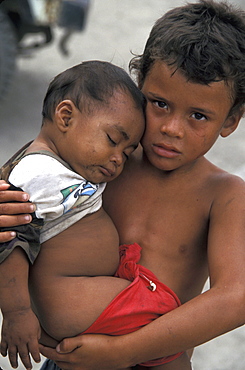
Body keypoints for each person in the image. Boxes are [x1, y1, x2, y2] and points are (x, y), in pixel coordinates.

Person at [0, 0, 244, 369]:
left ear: (230, 120)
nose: (171, 128)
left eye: (198, 115)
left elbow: (236, 297)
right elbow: (31, 177)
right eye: (159, 103)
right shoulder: (104, 163)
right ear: (138, 84)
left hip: (145, 361)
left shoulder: (224, 195)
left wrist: (123, 352)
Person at [0, 60, 192, 370]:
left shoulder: (60, 165)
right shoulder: (39, 173)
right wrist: (17, 313)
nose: (118, 160)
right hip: (69, 301)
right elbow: (9, 244)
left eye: (127, 152)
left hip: (76, 300)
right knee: (168, 330)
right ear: (65, 116)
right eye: (113, 141)